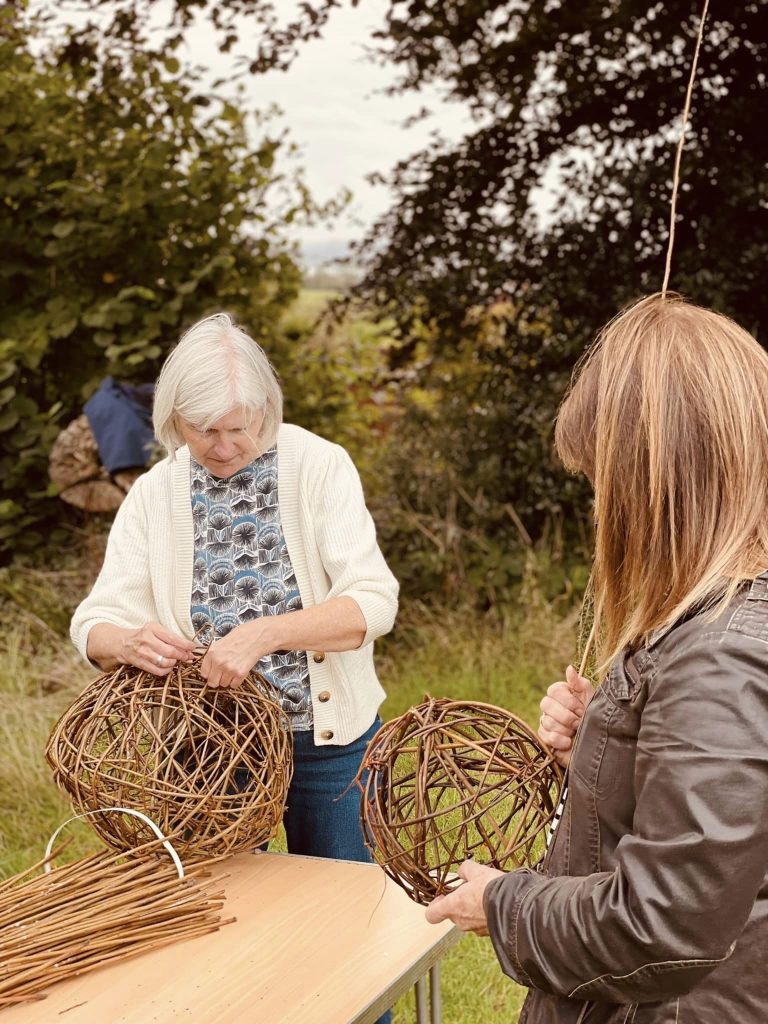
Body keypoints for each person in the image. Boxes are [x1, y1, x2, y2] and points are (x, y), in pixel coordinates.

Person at [424, 293, 768, 1023]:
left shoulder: (721, 655)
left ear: (658, 484)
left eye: (602, 483)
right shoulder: (714, 621)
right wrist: (602, 748)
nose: (600, 507)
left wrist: (502, 903)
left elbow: (664, 928)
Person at [70, 312, 399, 870]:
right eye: (204, 431)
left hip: (327, 743)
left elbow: (372, 602)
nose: (223, 448)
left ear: (267, 411)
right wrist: (127, 643)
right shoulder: (154, 493)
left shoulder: (319, 466)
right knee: (225, 919)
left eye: (239, 428)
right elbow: (93, 622)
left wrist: (263, 635)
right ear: (174, 418)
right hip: (205, 750)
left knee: (348, 915)